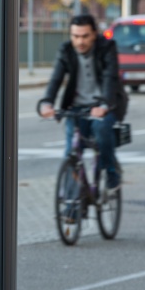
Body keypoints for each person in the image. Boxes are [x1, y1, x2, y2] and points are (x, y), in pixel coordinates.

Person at [37, 14, 127, 189]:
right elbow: (56, 78)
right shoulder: (66, 49)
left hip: (105, 105)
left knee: (101, 130)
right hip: (77, 108)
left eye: (85, 36)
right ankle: (71, 206)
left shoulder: (107, 47)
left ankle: (111, 171)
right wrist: (47, 102)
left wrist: (104, 105)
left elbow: (110, 78)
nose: (80, 42)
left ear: (94, 34)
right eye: (75, 36)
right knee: (71, 153)